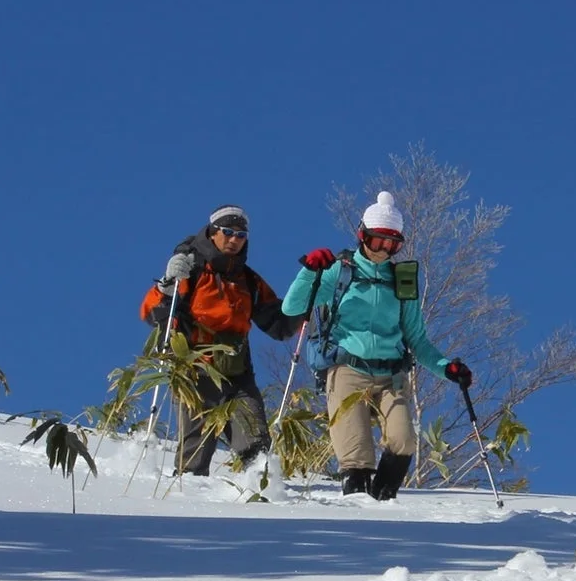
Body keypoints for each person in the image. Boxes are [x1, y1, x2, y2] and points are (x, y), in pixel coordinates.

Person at [283, 190, 471, 501]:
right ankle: (359, 505)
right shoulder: (338, 271)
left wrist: (446, 369)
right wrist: (310, 271)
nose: (385, 250)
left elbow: (417, 340)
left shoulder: (402, 281)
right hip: (347, 369)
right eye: (378, 241)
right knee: (356, 454)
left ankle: (383, 501)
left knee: (404, 441)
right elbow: (292, 308)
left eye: (393, 244)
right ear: (362, 235)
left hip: (390, 375)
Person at [139, 205, 301, 477]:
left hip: (238, 374)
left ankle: (262, 497)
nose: (234, 239)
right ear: (213, 232)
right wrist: (166, 286)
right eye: (227, 232)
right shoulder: (191, 268)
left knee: (256, 444)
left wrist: (305, 297)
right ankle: (188, 503)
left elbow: (279, 324)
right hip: (196, 369)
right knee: (196, 449)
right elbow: (152, 313)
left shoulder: (248, 280)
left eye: (240, 234)